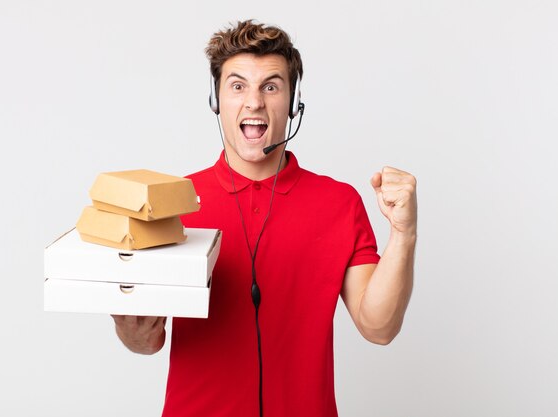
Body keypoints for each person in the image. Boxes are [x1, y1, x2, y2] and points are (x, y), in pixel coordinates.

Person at [112, 20, 417, 417]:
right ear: (216, 99)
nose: (254, 102)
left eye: (270, 86)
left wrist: (403, 233)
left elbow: (379, 327)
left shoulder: (339, 203)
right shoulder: (174, 203)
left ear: (292, 102)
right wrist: (129, 328)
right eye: (237, 86)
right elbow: (148, 341)